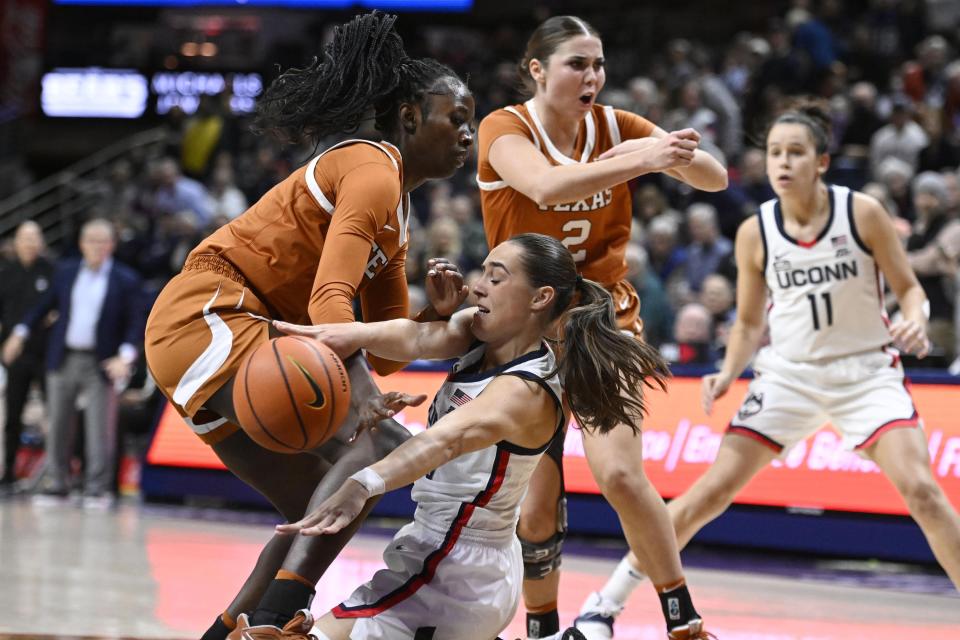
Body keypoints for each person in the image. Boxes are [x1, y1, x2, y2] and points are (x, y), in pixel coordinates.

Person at [142, 12, 475, 640]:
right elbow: (329, 300)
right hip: (213, 312)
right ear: (408, 117)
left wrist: (431, 316)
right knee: (381, 448)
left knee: (316, 508)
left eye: (472, 122)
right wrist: (368, 401)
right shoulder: (371, 166)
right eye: (456, 118)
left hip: (228, 336)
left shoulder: (397, 210)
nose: (468, 134)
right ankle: (277, 622)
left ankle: (233, 630)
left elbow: (381, 356)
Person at [585, 102, 960, 634]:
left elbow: (910, 289)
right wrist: (728, 370)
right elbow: (745, 322)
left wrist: (917, 318)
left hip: (866, 375)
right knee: (708, 494)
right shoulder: (755, 231)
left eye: (796, 153)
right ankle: (605, 603)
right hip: (789, 375)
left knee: (922, 492)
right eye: (774, 153)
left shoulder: (863, 213)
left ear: (822, 162)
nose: (782, 163)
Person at [252, 232, 669, 640]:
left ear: (540, 298)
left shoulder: (524, 391)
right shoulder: (477, 332)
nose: (476, 286)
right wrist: (341, 336)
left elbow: (442, 441)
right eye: (482, 271)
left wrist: (362, 483)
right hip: (437, 547)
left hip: (461, 569)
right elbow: (414, 339)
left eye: (496, 277)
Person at [476, 15, 727, 640]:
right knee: (535, 496)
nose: (593, 76)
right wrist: (640, 160)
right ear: (537, 69)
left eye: (599, 64)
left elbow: (716, 176)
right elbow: (545, 183)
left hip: (603, 321)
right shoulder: (504, 127)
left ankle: (682, 618)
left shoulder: (617, 126)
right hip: (524, 328)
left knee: (618, 473)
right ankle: (541, 626)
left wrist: (667, 157)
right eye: (577, 64)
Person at [2, 218, 144, 507]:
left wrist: (126, 356)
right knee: (57, 424)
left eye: (102, 241)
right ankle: (58, 484)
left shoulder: (125, 279)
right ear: (81, 244)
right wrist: (19, 333)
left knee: (98, 427)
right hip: (63, 356)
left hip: (101, 361)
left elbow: (135, 323)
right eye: (90, 240)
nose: (95, 246)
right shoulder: (66, 273)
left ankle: (96, 488)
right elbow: (42, 307)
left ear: (111, 245)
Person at [0, 222, 54, 492]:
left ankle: (53, 473)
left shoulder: (52, 271)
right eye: (25, 238)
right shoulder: (7, 273)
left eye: (34, 238)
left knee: (51, 415)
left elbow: (59, 308)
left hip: (45, 355)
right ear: (16, 242)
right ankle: (8, 471)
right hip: (15, 356)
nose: (30, 243)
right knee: (13, 415)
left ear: (41, 242)